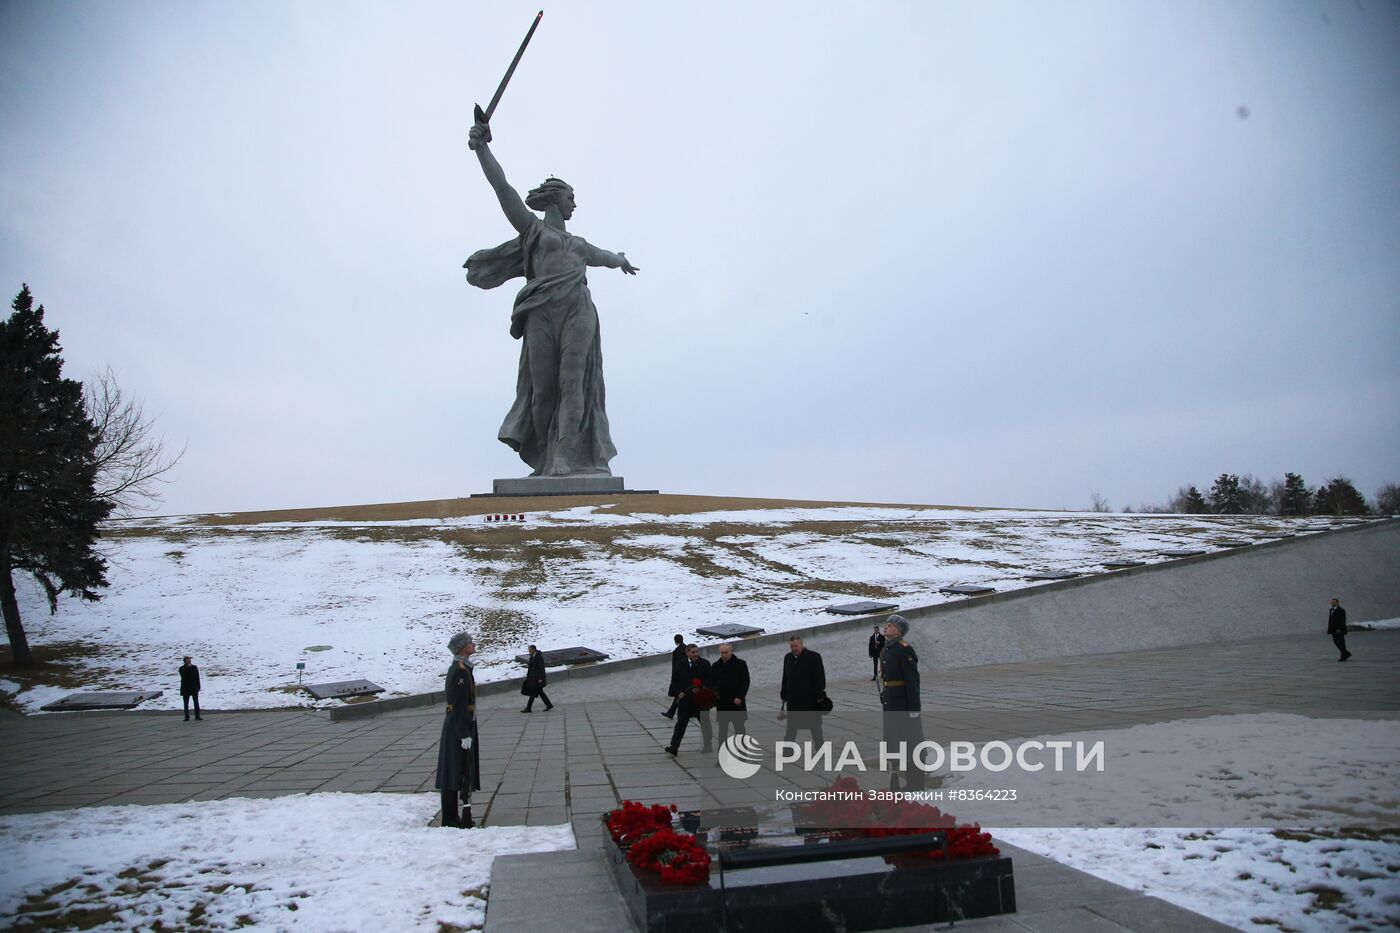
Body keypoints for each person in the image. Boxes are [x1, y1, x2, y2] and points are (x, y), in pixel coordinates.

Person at [465, 116, 639, 477]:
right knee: (542, 391)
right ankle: (545, 457)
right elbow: (504, 190)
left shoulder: (578, 245)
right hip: (541, 313)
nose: (575, 204)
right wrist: (483, 149)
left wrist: (620, 260)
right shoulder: (533, 230)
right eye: (572, 197)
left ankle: (565, 455)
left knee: (573, 383)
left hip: (577, 310)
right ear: (556, 199)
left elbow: (605, 257)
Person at [436, 632, 481, 828]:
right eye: (469, 643)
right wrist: (464, 734)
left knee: (457, 770)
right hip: (458, 726)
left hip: (460, 723)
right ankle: (450, 818)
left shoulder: (463, 668)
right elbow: (459, 704)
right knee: (454, 770)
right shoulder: (460, 671)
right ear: (462, 648)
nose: (473, 644)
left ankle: (453, 816)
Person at [880, 615, 925, 791]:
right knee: (896, 741)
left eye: (890, 625)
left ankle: (916, 783)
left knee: (911, 742)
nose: (886, 628)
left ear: (899, 630)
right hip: (892, 704)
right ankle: (902, 780)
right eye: (886, 625)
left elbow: (912, 681)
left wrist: (914, 708)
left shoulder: (903, 649)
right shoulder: (889, 649)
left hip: (904, 706)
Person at [665, 645, 714, 755]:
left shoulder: (705, 664)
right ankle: (674, 747)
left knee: (705, 723)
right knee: (681, 724)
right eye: (693, 652)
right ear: (687, 653)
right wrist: (679, 692)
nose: (696, 654)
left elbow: (710, 679)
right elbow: (675, 681)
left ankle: (708, 745)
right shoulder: (680, 664)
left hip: (701, 700)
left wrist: (702, 688)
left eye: (697, 652)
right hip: (686, 700)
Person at [780, 636, 827, 749]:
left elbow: (820, 677)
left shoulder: (814, 657)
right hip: (793, 699)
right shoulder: (788, 658)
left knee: (815, 726)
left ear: (801, 644)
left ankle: (820, 747)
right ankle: (788, 750)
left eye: (796, 646)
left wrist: (820, 694)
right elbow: (785, 677)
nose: (793, 648)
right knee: (791, 726)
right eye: (791, 646)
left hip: (810, 699)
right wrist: (783, 693)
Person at [712, 643, 750, 745]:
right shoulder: (715, 666)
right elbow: (713, 683)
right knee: (722, 731)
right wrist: (714, 695)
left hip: (736, 702)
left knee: (739, 729)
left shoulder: (741, 664)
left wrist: (740, 697)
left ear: (731, 652)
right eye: (722, 652)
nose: (724, 655)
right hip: (722, 703)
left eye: (726, 652)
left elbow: (745, 682)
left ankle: (743, 754)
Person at [520, 644, 554, 712]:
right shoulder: (532, 656)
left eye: (530, 650)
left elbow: (541, 668)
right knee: (540, 693)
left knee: (533, 693)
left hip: (537, 679)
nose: (529, 651)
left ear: (533, 650)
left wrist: (540, 678)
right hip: (533, 678)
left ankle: (528, 708)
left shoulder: (538, 657)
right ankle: (549, 705)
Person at [663, 634, 687, 719]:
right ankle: (671, 712)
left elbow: (677, 665)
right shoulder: (686, 648)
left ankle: (671, 713)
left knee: (680, 695)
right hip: (684, 676)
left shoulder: (678, 651)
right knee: (680, 696)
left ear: (675, 641)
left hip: (680, 677)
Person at [179, 656, 202, 721]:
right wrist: (188, 668)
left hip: (194, 687)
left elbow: (197, 677)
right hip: (185, 688)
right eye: (187, 661)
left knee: (196, 702)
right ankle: (187, 717)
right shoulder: (181, 668)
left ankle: (197, 716)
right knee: (186, 703)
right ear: (184, 662)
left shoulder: (194, 667)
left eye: (189, 660)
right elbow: (183, 675)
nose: (189, 662)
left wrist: (198, 686)